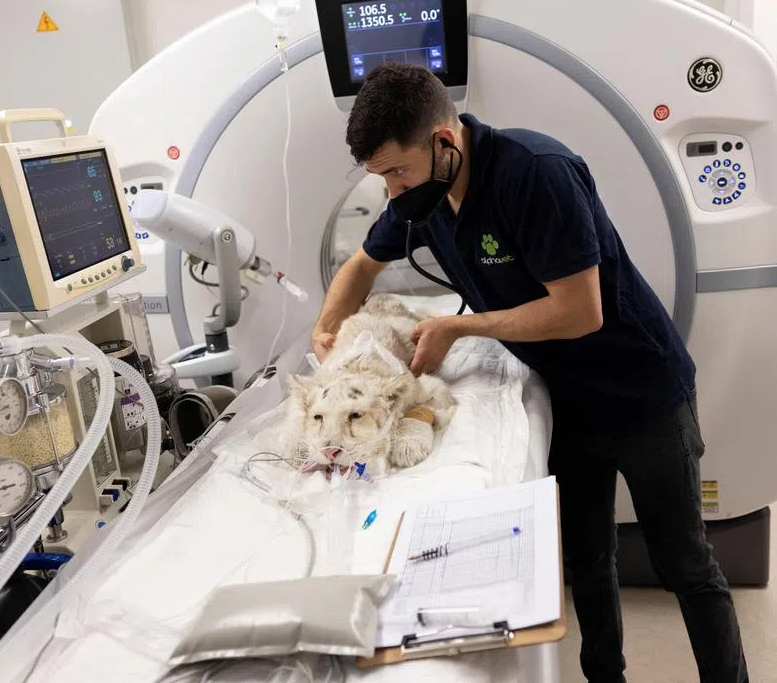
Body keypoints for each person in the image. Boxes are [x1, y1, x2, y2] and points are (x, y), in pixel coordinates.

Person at [311, 64, 748, 683]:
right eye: (378, 177)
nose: (390, 191)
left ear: (444, 142)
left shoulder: (536, 172)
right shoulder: (423, 198)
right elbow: (360, 265)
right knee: (588, 559)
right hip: (567, 400)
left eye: (395, 171)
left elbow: (579, 311)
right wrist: (327, 334)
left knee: (687, 564)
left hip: (639, 390)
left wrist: (459, 327)